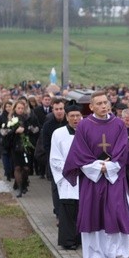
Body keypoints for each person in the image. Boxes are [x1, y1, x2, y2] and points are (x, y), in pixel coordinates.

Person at [63, 90, 129, 258]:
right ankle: (95, 255)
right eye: (99, 103)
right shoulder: (84, 125)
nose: (103, 106)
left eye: (105, 103)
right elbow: (79, 152)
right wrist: (96, 167)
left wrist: (108, 167)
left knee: (116, 213)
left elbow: (123, 149)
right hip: (92, 179)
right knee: (93, 214)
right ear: (91, 106)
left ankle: (116, 254)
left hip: (113, 178)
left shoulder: (119, 125)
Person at [50, 105, 83, 250]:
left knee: (82, 209)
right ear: (67, 116)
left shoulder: (86, 132)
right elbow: (55, 158)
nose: (75, 119)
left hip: (84, 175)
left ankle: (81, 238)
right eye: (72, 116)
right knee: (68, 209)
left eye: (78, 116)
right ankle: (68, 241)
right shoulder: (58, 133)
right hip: (67, 177)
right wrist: (71, 167)